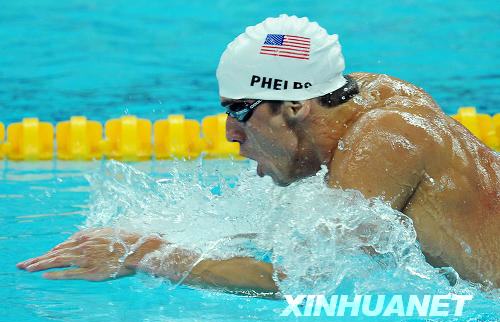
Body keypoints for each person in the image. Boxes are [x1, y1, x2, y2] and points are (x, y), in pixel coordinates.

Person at [17, 15, 499, 292]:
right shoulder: (364, 98)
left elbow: (301, 282)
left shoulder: (389, 140)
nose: (229, 133)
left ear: (294, 105)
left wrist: (147, 255)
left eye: (240, 111)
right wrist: (163, 233)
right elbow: (317, 225)